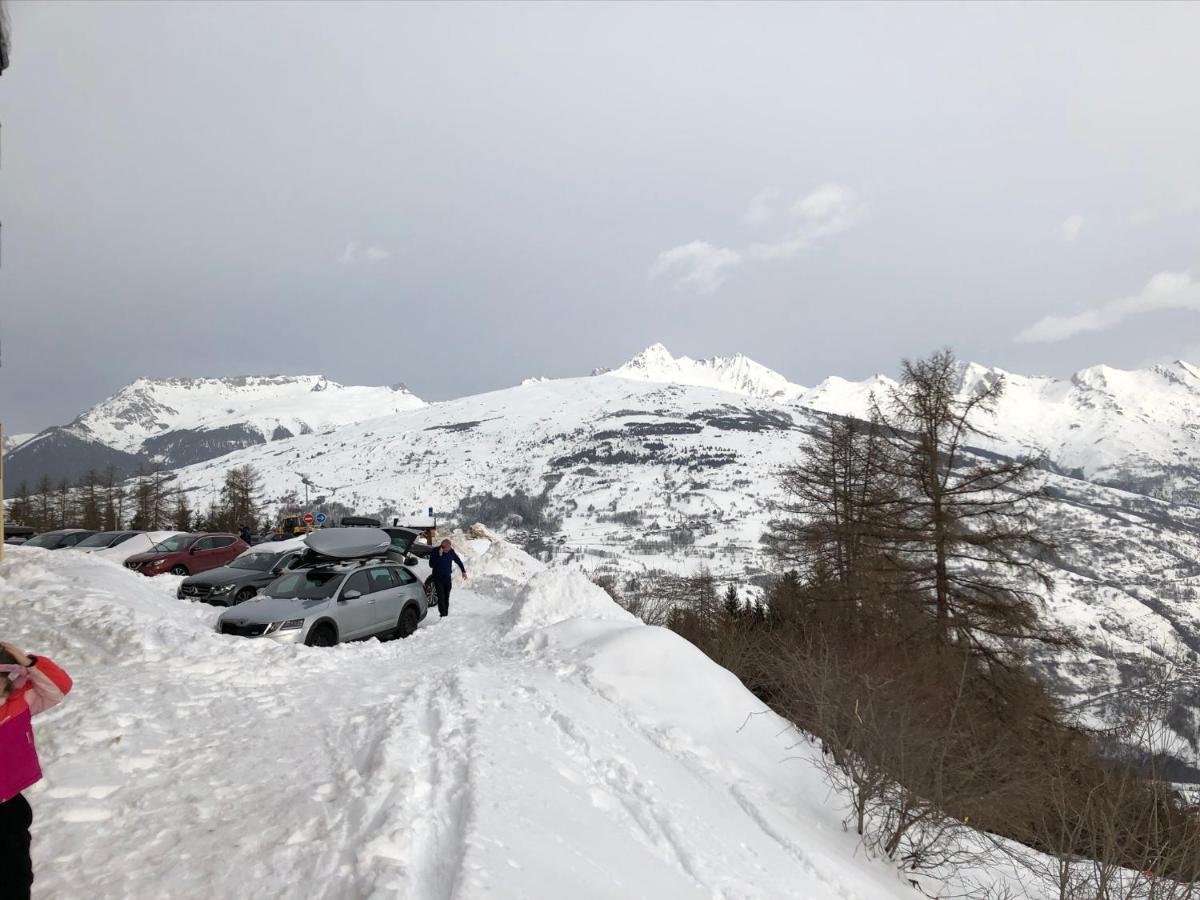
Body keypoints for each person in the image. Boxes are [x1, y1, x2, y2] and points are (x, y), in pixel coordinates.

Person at [0, 642, 73, 900]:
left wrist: (29, 663)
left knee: (15, 872)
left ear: (9, 685)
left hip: (8, 806)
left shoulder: (21, 702)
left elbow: (59, 687)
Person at [429, 539, 466, 617]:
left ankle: (445, 613)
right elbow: (431, 565)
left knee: (446, 596)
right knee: (441, 597)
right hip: (437, 577)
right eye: (447, 548)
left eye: (449, 548)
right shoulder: (435, 551)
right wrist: (439, 555)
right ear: (442, 547)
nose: (448, 550)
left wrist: (463, 571)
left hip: (447, 577)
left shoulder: (451, 551)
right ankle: (443, 614)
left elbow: (458, 561)